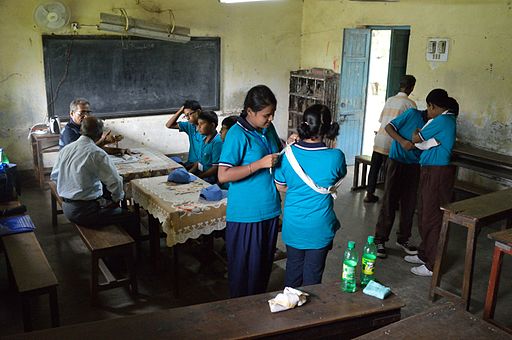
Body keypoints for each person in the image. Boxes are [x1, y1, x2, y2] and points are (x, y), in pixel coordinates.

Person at [218, 85, 282, 298]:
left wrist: (287, 146)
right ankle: (242, 319)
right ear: (249, 111)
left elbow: (274, 152)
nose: (270, 118)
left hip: (270, 210)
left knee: (262, 270)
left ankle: (257, 315)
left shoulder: (267, 129)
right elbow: (223, 175)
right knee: (244, 272)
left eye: (273, 114)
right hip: (247, 215)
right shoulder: (237, 134)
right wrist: (258, 164)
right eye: (266, 115)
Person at [274, 104, 347, 288]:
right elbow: (334, 181)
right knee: (313, 278)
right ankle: (310, 314)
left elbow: (280, 186)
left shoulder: (288, 154)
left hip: (294, 224)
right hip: (320, 227)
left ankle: (290, 307)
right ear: (329, 128)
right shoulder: (336, 156)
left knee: (292, 272)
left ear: (303, 124)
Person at [50, 116, 138, 235]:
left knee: (105, 200)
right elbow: (115, 182)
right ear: (100, 134)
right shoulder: (96, 153)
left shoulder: (66, 149)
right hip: (85, 212)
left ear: (81, 130)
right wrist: (117, 199)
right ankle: (127, 251)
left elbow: (54, 176)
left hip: (67, 207)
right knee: (130, 217)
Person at [404, 90, 458, 277]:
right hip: (431, 170)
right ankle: (424, 253)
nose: (428, 111)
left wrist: (415, 132)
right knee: (425, 213)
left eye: (428, 107)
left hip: (437, 172)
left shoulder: (442, 120)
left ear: (433, 106)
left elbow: (415, 138)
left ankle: (431, 264)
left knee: (432, 216)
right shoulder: (445, 120)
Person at [373, 107, 428, 259]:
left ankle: (403, 239)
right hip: (397, 161)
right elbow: (389, 127)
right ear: (431, 106)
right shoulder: (412, 114)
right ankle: (380, 240)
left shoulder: (434, 124)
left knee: (409, 204)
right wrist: (403, 141)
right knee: (389, 201)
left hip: (415, 165)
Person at [365, 75, 417, 203]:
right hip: (392, 142)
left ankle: (369, 194)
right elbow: (410, 126)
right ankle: (389, 199)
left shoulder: (390, 100)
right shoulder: (410, 104)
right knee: (391, 173)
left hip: (380, 139)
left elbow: (382, 119)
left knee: (374, 169)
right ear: (411, 88)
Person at [59, 98, 126, 153]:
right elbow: (80, 153)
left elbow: (96, 148)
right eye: (81, 113)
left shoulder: (87, 128)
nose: (86, 116)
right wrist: (103, 142)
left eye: (88, 112)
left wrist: (119, 150)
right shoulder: (68, 132)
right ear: (71, 114)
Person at [165, 100, 203, 169]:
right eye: (186, 115)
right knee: (171, 161)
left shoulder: (206, 129)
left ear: (198, 112)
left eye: (189, 114)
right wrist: (180, 110)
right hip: (190, 163)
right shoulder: (189, 125)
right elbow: (169, 125)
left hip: (200, 166)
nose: (188, 118)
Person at [189, 110, 223, 184]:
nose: (199, 127)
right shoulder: (203, 138)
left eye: (202, 124)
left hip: (210, 178)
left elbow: (215, 168)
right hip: (201, 173)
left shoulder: (217, 142)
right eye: (198, 124)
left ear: (212, 125)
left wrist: (199, 177)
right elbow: (199, 161)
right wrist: (190, 173)